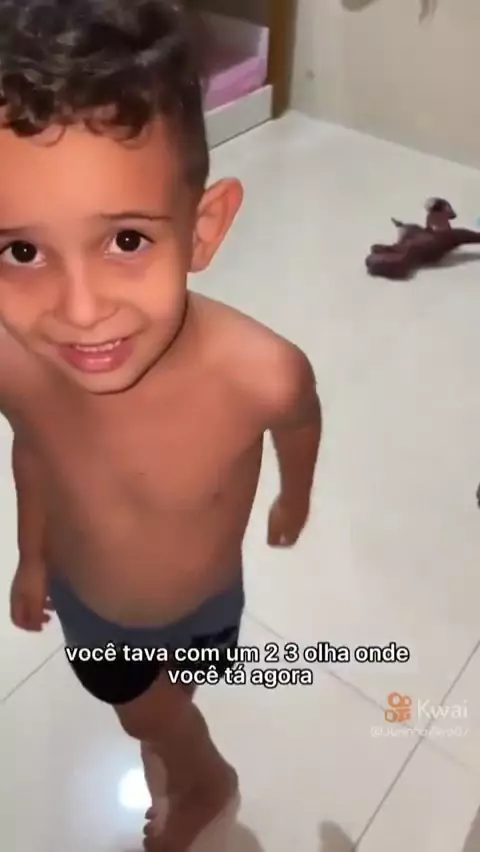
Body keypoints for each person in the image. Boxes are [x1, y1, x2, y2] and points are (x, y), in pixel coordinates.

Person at [3, 0, 321, 849]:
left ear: (202, 228)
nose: (78, 311)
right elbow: (34, 449)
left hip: (203, 601)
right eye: (21, 251)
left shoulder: (262, 372)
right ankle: (185, 755)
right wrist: (32, 555)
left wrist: (294, 495)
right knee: (143, 710)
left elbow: (299, 422)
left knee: (165, 704)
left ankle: (198, 771)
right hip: (90, 605)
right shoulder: (14, 364)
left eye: (126, 240)